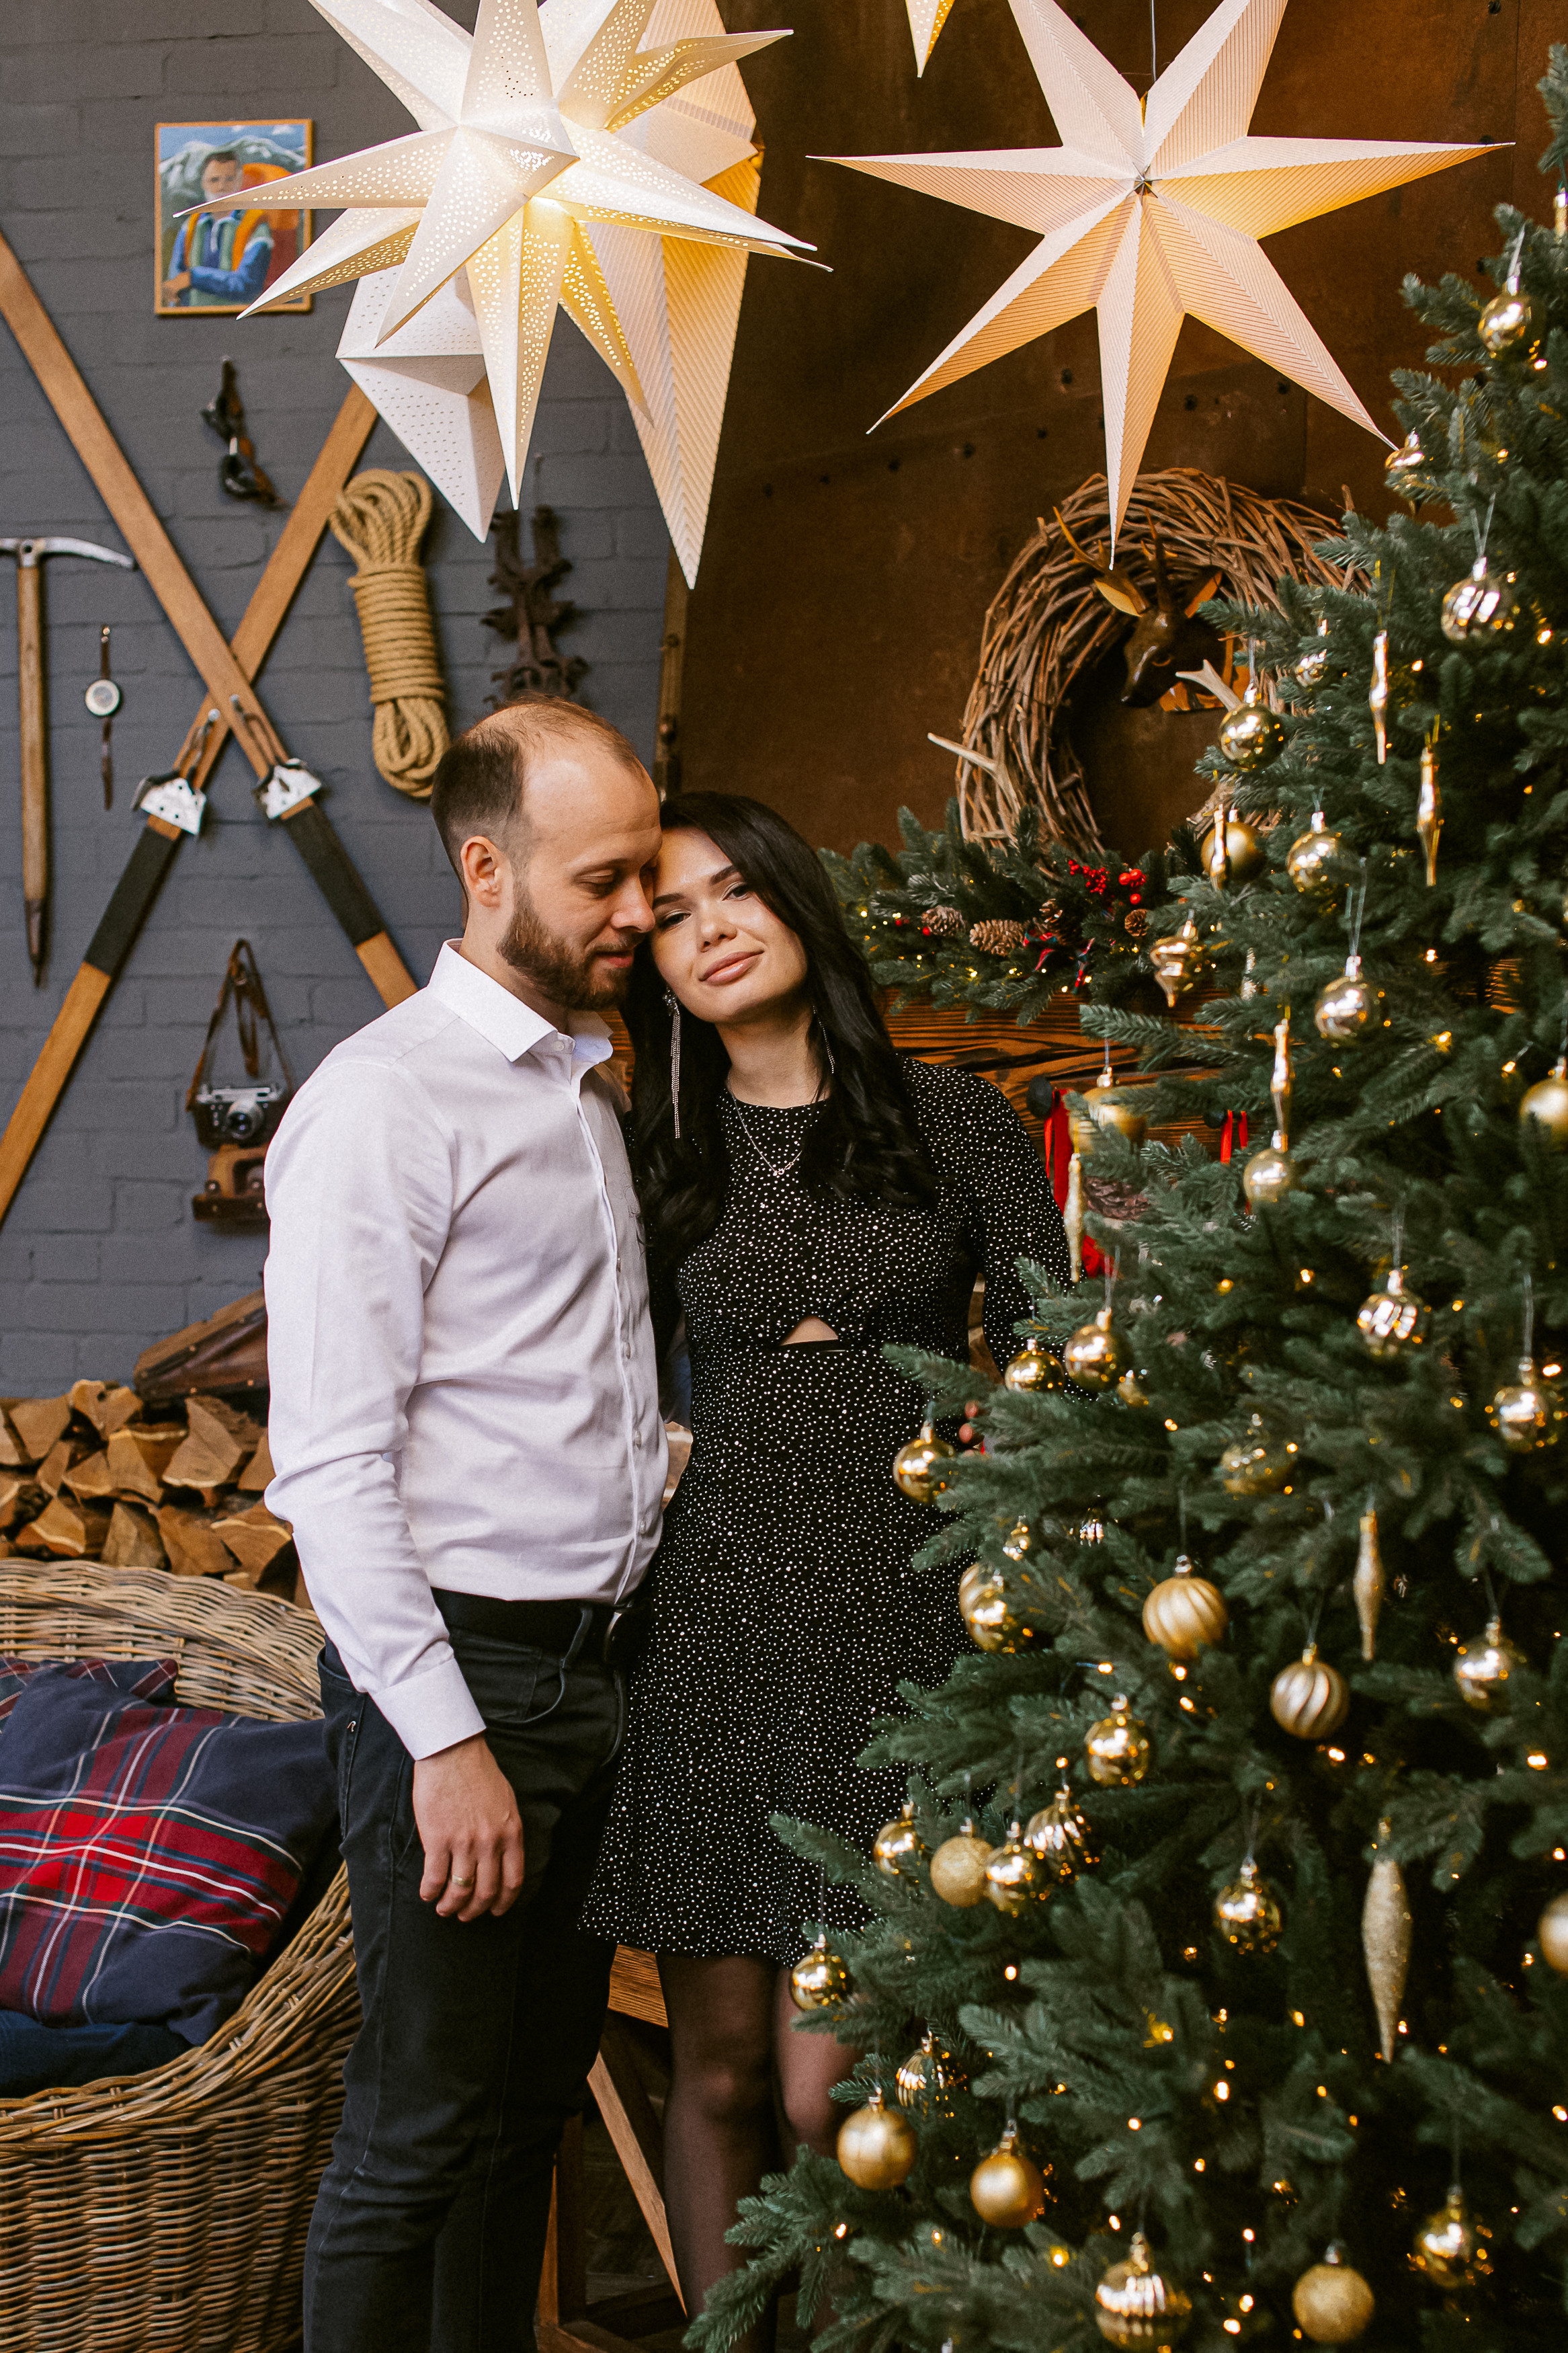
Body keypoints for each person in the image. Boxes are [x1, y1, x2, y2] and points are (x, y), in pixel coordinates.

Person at [582, 793, 1071, 2349]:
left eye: (739, 894)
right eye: (674, 913)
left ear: (797, 907)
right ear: (650, 958)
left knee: (831, 2086)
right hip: (712, 1620)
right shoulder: (643, 1146)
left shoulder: (951, 1120)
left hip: (910, 1617)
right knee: (718, 2074)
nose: (713, 929)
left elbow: (1066, 1351)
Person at [263, 696, 667, 2353]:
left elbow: (556, 1386)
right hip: (467, 1685)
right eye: (605, 881)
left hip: (594, 1674)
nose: (641, 911)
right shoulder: (386, 1106)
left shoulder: (581, 1082)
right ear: (486, 869)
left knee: (523, 2119)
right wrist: (444, 1742)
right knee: (418, 2130)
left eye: (645, 870)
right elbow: (331, 1467)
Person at [163, 149, 274, 307]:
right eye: (214, 180)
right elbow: (175, 284)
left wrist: (193, 277)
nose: (222, 187)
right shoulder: (191, 225)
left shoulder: (255, 225)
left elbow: (247, 285)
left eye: (229, 179)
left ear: (239, 181)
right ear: (203, 183)